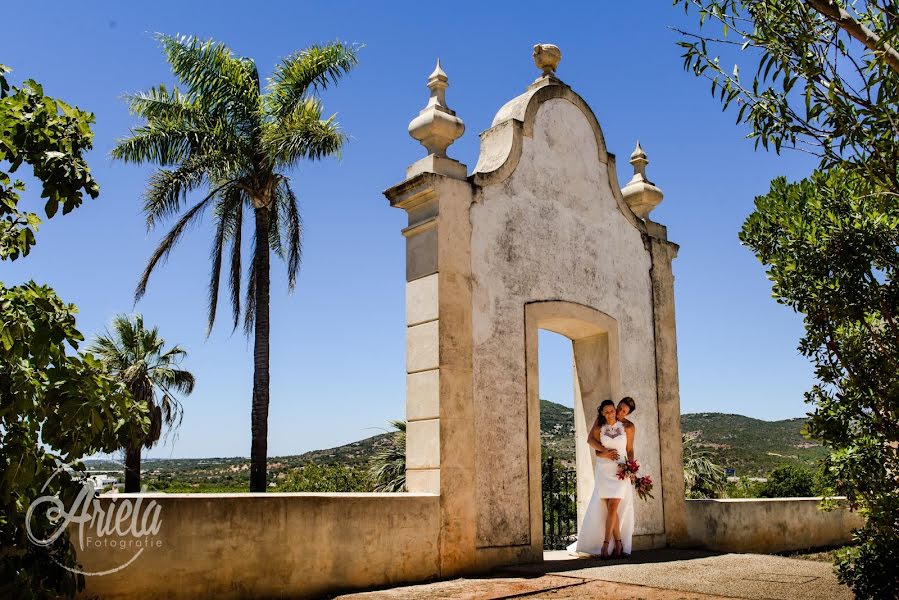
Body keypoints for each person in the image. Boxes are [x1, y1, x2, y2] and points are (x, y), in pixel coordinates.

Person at [566, 397, 637, 559]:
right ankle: (618, 543)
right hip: (604, 470)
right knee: (610, 508)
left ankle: (606, 546)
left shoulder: (629, 427)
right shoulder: (600, 424)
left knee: (613, 507)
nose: (618, 412)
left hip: (621, 470)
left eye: (623, 411)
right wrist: (603, 451)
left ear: (628, 413)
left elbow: (630, 449)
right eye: (618, 408)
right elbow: (590, 440)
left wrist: (631, 468)